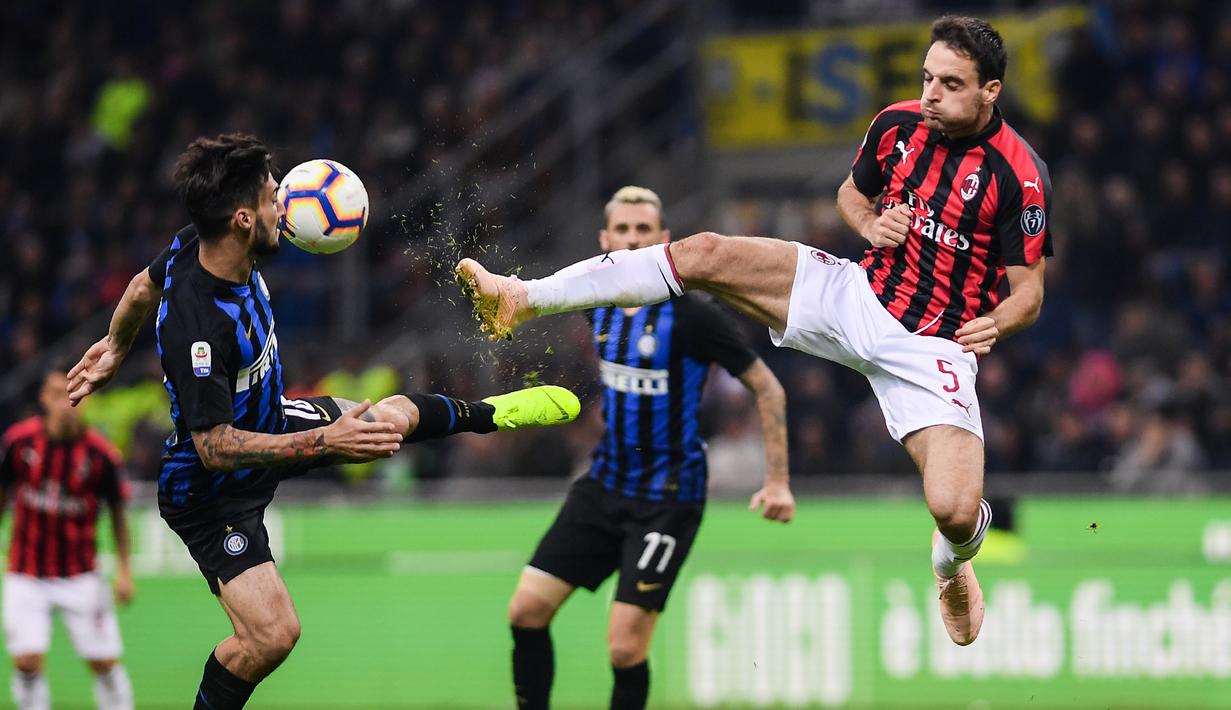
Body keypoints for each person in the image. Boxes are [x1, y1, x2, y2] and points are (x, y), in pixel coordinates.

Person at [459, 15, 1051, 647]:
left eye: (951, 84)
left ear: (990, 91)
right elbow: (852, 195)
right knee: (706, 253)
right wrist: (869, 225)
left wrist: (995, 324)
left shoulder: (1019, 175)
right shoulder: (898, 125)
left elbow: (1030, 296)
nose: (931, 94)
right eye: (927, 77)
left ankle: (952, 565)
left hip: (933, 345)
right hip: (854, 293)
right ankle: (523, 296)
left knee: (955, 511)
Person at [65, 133, 581, 710]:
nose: (282, 204)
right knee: (272, 636)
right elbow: (214, 447)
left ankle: (494, 413)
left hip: (267, 418)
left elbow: (140, 286)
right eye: (269, 198)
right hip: (211, 489)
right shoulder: (199, 326)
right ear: (240, 219)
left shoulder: (196, 243)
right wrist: (325, 440)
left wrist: (113, 345)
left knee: (389, 418)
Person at [506, 187, 795, 710]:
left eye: (644, 232)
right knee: (525, 612)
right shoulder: (595, 301)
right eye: (623, 231)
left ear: (664, 241)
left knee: (623, 648)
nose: (634, 239)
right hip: (604, 483)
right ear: (605, 242)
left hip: (668, 497)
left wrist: (776, 481)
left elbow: (769, 387)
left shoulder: (693, 316)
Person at [1, 365, 135, 710]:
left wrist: (124, 570)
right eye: (58, 394)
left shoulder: (101, 455)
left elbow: (119, 515)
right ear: (44, 399)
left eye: (74, 394)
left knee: (104, 663)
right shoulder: (18, 443)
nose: (67, 403)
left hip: (81, 575)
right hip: (25, 571)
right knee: (26, 662)